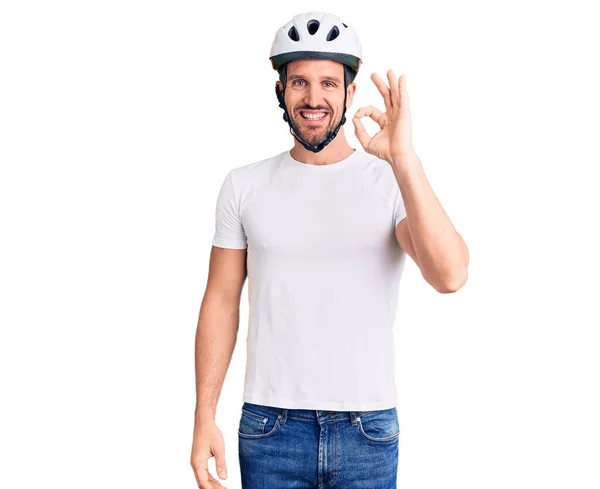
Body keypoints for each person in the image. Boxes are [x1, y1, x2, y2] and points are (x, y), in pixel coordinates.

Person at [190, 11, 469, 489]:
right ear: (280, 90)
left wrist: (404, 159)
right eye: (298, 82)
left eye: (328, 83)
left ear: (350, 93)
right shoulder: (244, 186)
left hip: (367, 428)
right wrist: (204, 415)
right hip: (269, 427)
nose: (313, 98)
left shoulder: (391, 181)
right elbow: (220, 300)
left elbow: (450, 275)